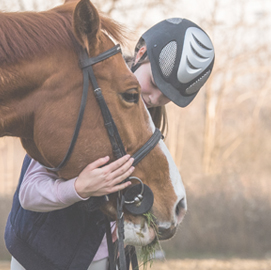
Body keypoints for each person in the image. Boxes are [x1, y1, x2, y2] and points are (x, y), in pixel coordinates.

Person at [5, 18, 215, 270]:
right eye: (156, 84)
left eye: (167, 97)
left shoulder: (150, 117)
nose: (155, 98)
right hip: (41, 256)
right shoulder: (84, 89)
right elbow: (29, 192)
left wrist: (132, 221)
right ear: (141, 53)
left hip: (101, 258)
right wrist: (80, 187)